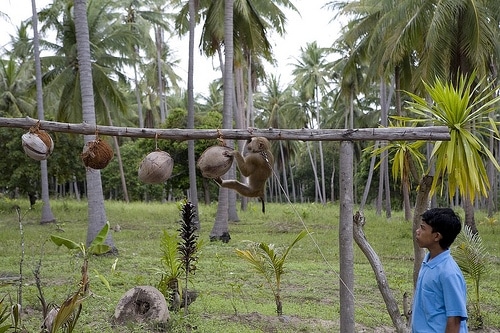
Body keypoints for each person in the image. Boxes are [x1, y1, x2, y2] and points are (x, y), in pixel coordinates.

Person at [412, 207, 468, 333]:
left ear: (436, 236)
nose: (417, 231)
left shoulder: (449, 273)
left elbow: (454, 320)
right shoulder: (428, 262)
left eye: (422, 228)